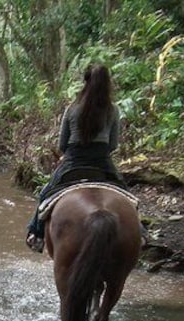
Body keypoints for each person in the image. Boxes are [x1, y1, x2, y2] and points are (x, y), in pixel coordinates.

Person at [25, 64, 125, 253]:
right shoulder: (113, 110)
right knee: (127, 194)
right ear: (107, 84)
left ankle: (36, 235)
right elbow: (113, 145)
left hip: (74, 160)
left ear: (86, 82)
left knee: (45, 193)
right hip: (102, 161)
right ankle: (142, 231)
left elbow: (62, 144)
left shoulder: (72, 109)